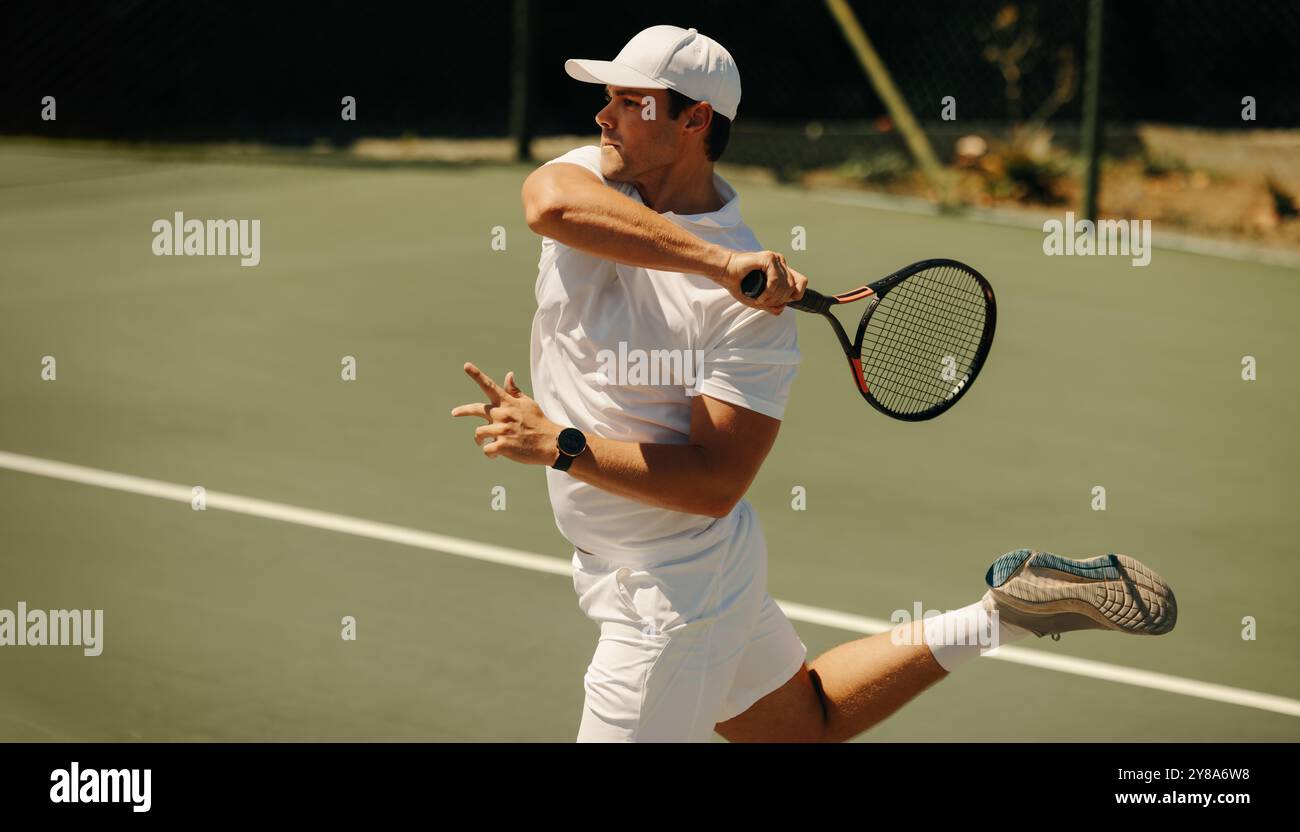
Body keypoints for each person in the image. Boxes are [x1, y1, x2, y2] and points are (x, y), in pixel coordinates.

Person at [452, 25, 1176, 742]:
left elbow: (714, 483)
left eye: (629, 101)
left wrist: (561, 444)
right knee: (804, 724)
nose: (603, 116)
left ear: (695, 120)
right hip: (639, 564)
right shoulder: (596, 177)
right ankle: (1005, 613)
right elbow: (548, 205)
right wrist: (715, 264)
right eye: (607, 98)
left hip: (673, 595)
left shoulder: (756, 322)